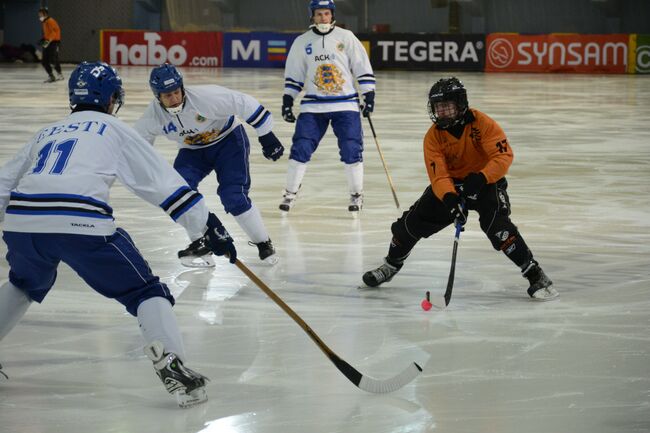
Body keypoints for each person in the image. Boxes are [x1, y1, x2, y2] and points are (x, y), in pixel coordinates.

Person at [0, 61, 238, 407]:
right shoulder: (114, 128)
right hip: (80, 223)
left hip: (23, 224)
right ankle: (170, 358)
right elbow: (161, 184)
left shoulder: (47, 132)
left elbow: (5, 182)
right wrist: (207, 226)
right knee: (144, 291)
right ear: (112, 97)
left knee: (23, 282)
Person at [362, 77, 558, 301]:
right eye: (438, 107)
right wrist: (449, 200)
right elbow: (438, 175)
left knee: (499, 228)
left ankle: (536, 274)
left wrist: (483, 177)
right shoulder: (433, 137)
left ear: (460, 104)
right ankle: (390, 265)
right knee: (407, 226)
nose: (442, 112)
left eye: (447, 106)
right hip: (452, 186)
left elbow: (503, 156)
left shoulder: (482, 123)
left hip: (487, 183)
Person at [134, 63, 284, 266]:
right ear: (157, 96)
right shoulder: (153, 117)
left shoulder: (206, 98)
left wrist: (267, 135)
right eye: (167, 96)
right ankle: (200, 242)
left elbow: (244, 103)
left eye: (177, 92)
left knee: (233, 196)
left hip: (228, 142)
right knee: (178, 192)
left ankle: (263, 243)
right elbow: (137, 146)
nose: (175, 98)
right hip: (192, 152)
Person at [279, 0, 376, 214]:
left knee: (351, 149)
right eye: (318, 14)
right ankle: (290, 192)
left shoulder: (346, 37)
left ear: (332, 15)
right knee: (301, 147)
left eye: (326, 14)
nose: (323, 18)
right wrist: (288, 100)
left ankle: (356, 194)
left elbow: (361, 66)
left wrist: (368, 94)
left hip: (346, 104)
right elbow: (294, 73)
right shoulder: (302, 41)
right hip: (313, 106)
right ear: (311, 16)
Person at [37, 7, 63, 83]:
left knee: (53, 59)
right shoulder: (44, 22)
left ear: (45, 14)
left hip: (54, 42)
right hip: (48, 42)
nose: (39, 16)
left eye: (40, 14)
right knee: (44, 61)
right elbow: (48, 33)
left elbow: (54, 33)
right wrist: (43, 39)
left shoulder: (51, 21)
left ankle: (59, 74)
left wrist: (47, 41)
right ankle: (51, 76)